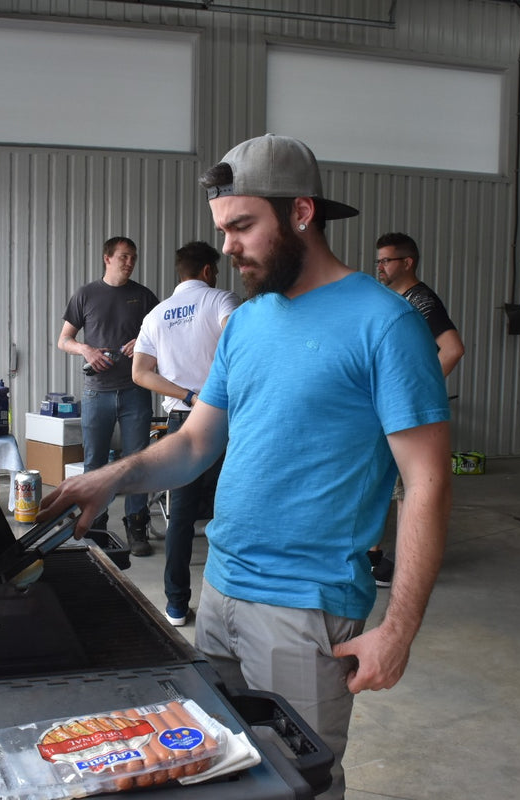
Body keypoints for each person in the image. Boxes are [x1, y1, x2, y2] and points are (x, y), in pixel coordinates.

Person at [40, 134, 451, 800]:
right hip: (223, 592)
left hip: (305, 609)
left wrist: (398, 628)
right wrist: (111, 477)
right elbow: (196, 442)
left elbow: (429, 482)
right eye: (221, 229)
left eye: (242, 226)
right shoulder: (248, 323)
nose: (227, 246)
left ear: (300, 213)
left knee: (298, 786)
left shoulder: (384, 324)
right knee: (223, 777)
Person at [132, 241, 241, 627]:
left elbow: (140, 373)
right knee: (233, 511)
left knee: (180, 518)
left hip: (182, 421)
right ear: (209, 271)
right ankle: (233, 607)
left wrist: (189, 395)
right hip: (226, 418)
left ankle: (176, 605)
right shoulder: (220, 300)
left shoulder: (156, 315)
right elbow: (239, 343)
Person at [370, 232, 464, 587]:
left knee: (408, 490)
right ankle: (375, 557)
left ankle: (405, 564)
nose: (379, 267)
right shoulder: (397, 299)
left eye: (386, 260)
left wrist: (415, 391)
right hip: (391, 411)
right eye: (378, 260)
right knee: (386, 485)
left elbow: (453, 348)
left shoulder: (421, 301)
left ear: (407, 263)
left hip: (407, 412)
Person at [57, 236, 159, 556]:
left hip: (135, 391)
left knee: (136, 463)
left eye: (133, 258)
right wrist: (85, 348)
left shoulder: (143, 297)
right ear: (107, 258)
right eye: (124, 257)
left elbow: (161, 336)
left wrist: (142, 340)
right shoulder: (86, 295)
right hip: (96, 392)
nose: (129, 262)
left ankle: (136, 526)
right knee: (95, 463)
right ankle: (95, 524)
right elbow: (64, 340)